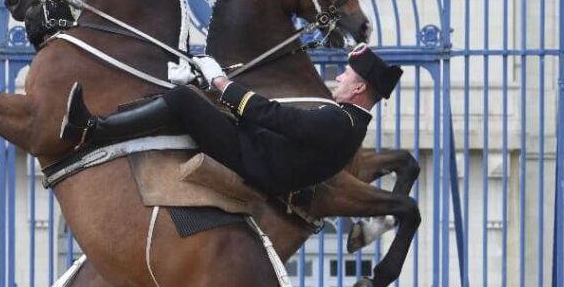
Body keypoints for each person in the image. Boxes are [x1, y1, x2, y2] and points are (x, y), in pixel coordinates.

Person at [59, 44, 403, 199]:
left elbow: (275, 117)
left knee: (183, 100)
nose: (339, 77)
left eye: (346, 74)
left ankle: (92, 129)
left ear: (359, 88)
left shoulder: (341, 123)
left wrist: (220, 82)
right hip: (255, 151)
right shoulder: (347, 122)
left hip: (250, 161)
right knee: (190, 99)